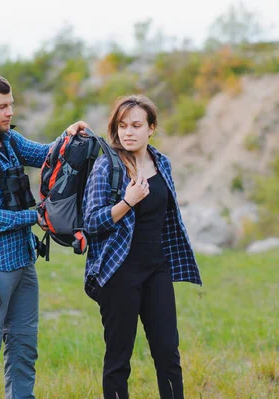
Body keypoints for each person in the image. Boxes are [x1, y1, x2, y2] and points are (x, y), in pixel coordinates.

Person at [0, 71, 86, 399]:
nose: (10, 112)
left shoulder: (8, 139)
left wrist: (67, 136)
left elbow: (44, 156)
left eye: (11, 104)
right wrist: (36, 215)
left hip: (23, 262)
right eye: (1, 107)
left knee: (24, 346)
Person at [83, 94, 202, 399]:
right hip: (119, 272)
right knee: (118, 360)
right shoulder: (106, 166)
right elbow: (92, 222)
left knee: (168, 354)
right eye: (122, 125)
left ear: (151, 128)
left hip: (157, 269)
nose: (128, 132)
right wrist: (127, 201)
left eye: (136, 125)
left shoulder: (162, 163)